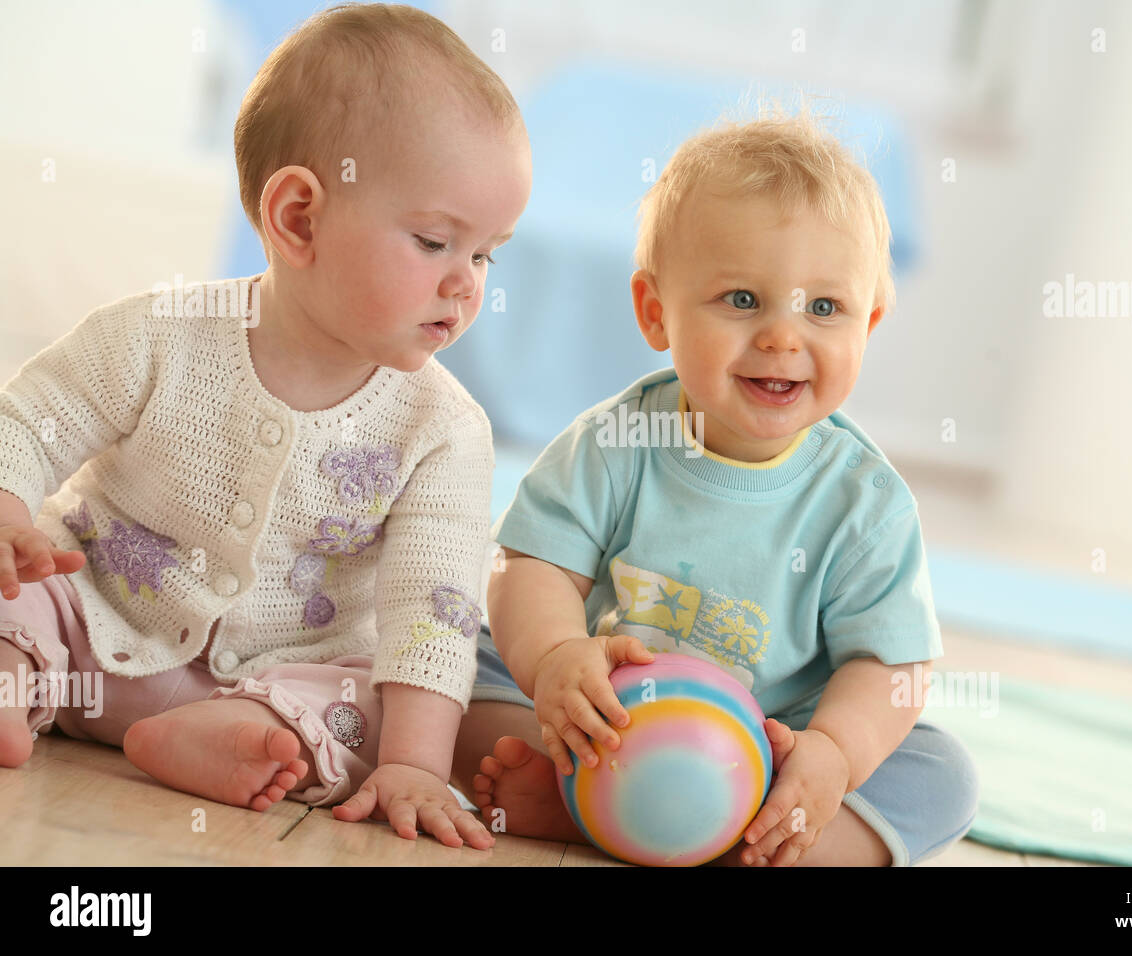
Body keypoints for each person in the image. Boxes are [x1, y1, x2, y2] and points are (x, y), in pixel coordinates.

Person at [0, 2, 530, 849]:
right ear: (299, 219)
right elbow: (27, 420)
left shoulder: (445, 431)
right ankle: (13, 680)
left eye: (486, 253)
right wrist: (8, 507)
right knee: (26, 593)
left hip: (283, 674)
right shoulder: (161, 335)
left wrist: (417, 766)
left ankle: (232, 738)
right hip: (96, 621)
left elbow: (434, 616)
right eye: (436, 241)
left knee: (371, 702)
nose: (468, 283)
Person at [452, 105, 979, 866]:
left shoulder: (866, 503)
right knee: (455, 664)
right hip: (602, 724)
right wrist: (560, 654)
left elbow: (889, 666)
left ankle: (748, 832)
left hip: (769, 746)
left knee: (941, 777)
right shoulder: (616, 444)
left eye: (824, 308)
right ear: (654, 311)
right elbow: (528, 567)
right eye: (742, 300)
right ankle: (596, 803)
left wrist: (831, 752)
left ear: (868, 325)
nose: (781, 337)